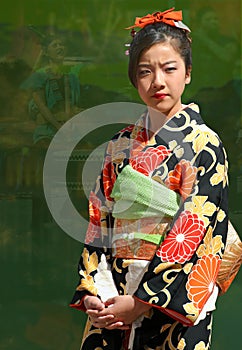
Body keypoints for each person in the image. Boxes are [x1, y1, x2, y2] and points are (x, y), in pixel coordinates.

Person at [70, 8, 229, 350]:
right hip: (115, 299)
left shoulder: (204, 144)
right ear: (134, 79)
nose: (158, 81)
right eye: (145, 71)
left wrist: (142, 302)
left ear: (187, 73)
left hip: (171, 303)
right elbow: (100, 222)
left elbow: (196, 230)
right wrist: (97, 294)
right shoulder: (118, 146)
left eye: (169, 69)